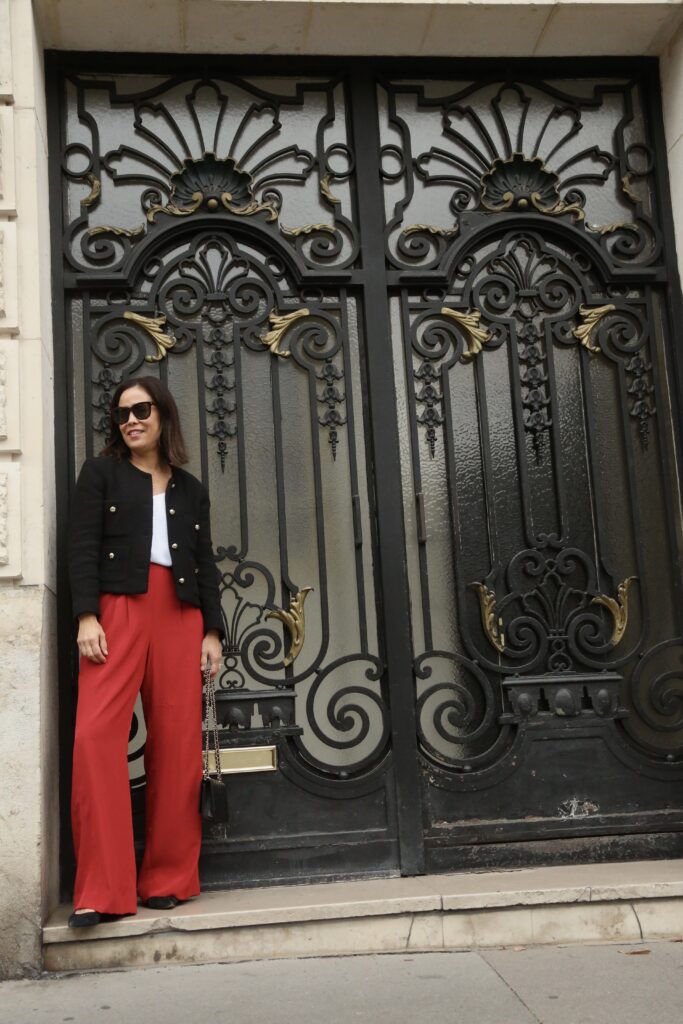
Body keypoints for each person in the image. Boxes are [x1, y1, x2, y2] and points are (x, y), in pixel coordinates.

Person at [66, 376, 224, 927]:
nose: (130, 420)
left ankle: (168, 878)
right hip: (118, 610)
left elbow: (204, 560)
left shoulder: (188, 488)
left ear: (163, 416)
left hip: (180, 615)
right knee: (94, 738)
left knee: (178, 745)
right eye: (121, 413)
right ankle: (102, 889)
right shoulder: (101, 473)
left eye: (141, 410)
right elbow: (81, 543)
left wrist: (213, 631)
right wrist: (87, 614)